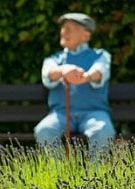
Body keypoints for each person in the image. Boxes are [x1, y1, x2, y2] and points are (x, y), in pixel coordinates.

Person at [34, 12, 115, 158]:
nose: (63, 32)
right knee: (44, 130)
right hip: (60, 115)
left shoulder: (101, 55)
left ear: (86, 35)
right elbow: (48, 73)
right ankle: (58, 176)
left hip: (94, 113)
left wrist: (85, 77)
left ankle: (95, 177)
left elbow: (100, 71)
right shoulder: (54, 59)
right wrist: (63, 70)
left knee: (103, 130)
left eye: (69, 29)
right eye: (63, 28)